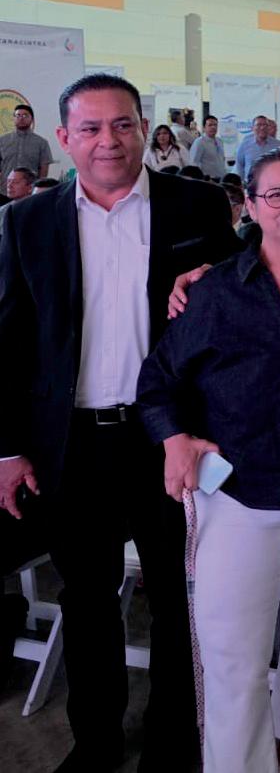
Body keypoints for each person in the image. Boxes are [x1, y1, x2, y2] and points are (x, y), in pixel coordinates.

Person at [0, 73, 239, 772]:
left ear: (143, 128)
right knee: (87, 599)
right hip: (71, 444)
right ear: (64, 138)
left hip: (168, 440)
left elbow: (239, 313)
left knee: (176, 597)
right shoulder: (27, 221)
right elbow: (10, 342)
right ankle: (96, 743)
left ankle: (173, 742)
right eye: (92, 128)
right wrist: (9, 448)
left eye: (124, 124)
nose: (110, 140)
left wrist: (215, 287)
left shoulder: (195, 204)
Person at [138, 149, 280, 773]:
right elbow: (156, 383)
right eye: (276, 195)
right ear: (251, 206)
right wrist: (174, 438)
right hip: (237, 492)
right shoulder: (215, 290)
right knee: (232, 645)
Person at [0, 103, 52, 179]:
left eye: (25, 115)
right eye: (18, 115)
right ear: (14, 118)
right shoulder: (2, 141)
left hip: (31, 186)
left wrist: (39, 186)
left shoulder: (42, 143)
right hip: (5, 185)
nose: (21, 118)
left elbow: (44, 170)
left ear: (32, 119)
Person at [190, 115, 227, 180]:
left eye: (215, 125)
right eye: (210, 125)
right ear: (204, 128)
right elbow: (193, 162)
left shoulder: (219, 141)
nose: (213, 127)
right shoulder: (199, 142)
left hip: (221, 179)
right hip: (207, 180)